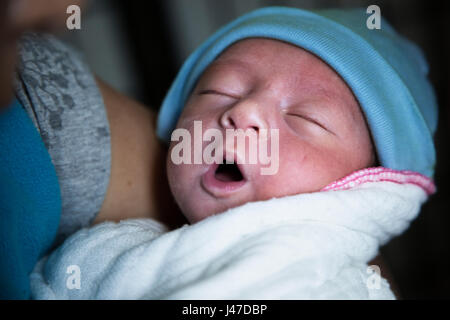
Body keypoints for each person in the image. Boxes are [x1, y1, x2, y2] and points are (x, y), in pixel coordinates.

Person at [28, 7, 437, 299]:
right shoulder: (105, 255)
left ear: (366, 191)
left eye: (305, 118)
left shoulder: (333, 282)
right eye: (219, 91)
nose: (243, 112)